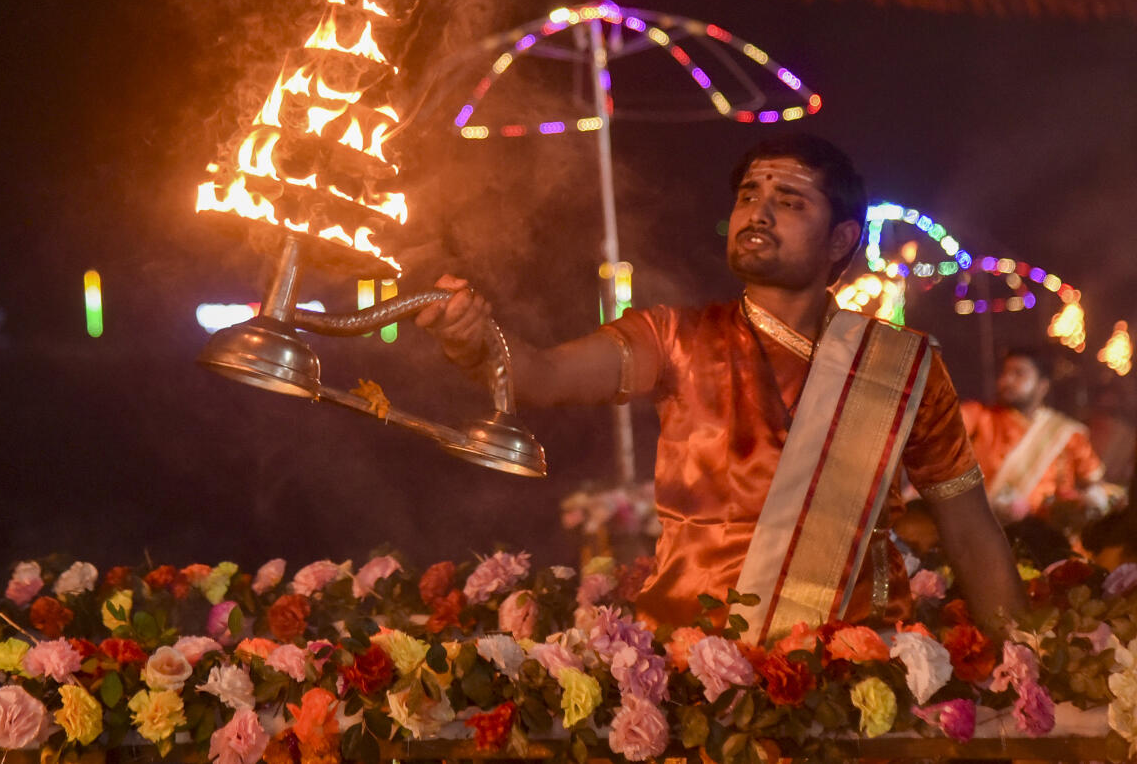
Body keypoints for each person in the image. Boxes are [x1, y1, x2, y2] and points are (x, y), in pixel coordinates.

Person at [417, 133, 1024, 639]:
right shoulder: (674, 337)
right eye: (747, 196)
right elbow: (539, 377)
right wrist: (474, 341)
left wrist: (1025, 666)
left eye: (788, 201)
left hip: (859, 681)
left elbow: (968, 528)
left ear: (841, 240)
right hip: (696, 678)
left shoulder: (901, 366)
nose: (757, 212)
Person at [961, 348, 1108, 523]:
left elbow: (1093, 483)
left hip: (1047, 538)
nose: (1007, 381)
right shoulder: (979, 416)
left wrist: (1091, 500)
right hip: (985, 531)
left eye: (1019, 374)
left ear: (1042, 385)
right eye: (1005, 373)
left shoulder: (1067, 433)